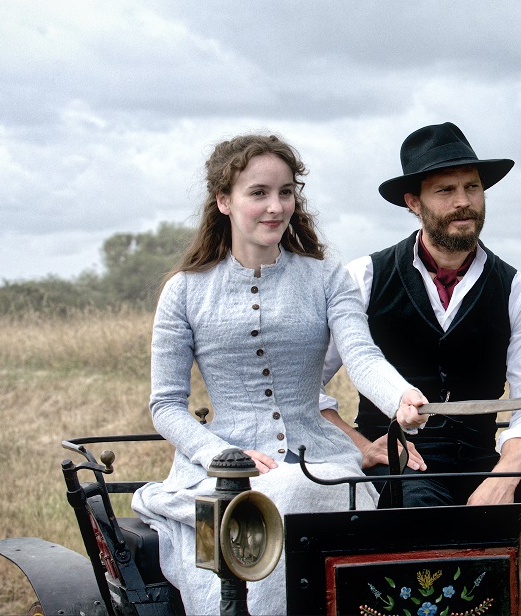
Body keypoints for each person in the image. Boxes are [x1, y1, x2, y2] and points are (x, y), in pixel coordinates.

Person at [131, 133, 427, 616]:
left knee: (293, 490)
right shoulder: (184, 292)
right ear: (224, 201)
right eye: (259, 193)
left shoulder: (327, 277)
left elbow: (362, 356)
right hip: (218, 476)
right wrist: (217, 453)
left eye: (286, 192)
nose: (275, 206)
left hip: (320, 467)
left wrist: (400, 399)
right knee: (225, 548)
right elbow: (165, 405)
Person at [320, 121, 521, 507]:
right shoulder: (362, 279)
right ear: (413, 203)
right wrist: (361, 447)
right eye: (445, 190)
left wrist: (502, 480)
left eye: (472, 187)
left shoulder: (519, 293)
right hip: (397, 467)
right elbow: (304, 388)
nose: (463, 201)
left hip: (485, 464)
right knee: (421, 512)